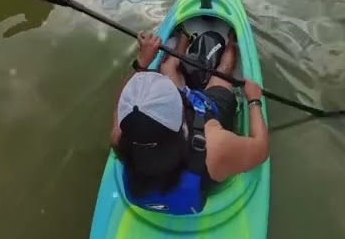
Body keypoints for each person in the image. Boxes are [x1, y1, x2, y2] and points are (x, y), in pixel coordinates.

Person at [110, 29, 269, 215]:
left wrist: (142, 62)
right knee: (221, 74)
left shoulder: (121, 137)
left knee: (167, 69)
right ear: (179, 104)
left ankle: (184, 38)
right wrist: (254, 100)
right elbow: (261, 149)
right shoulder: (215, 145)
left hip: (177, 142)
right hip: (206, 117)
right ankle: (232, 42)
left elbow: (122, 103)